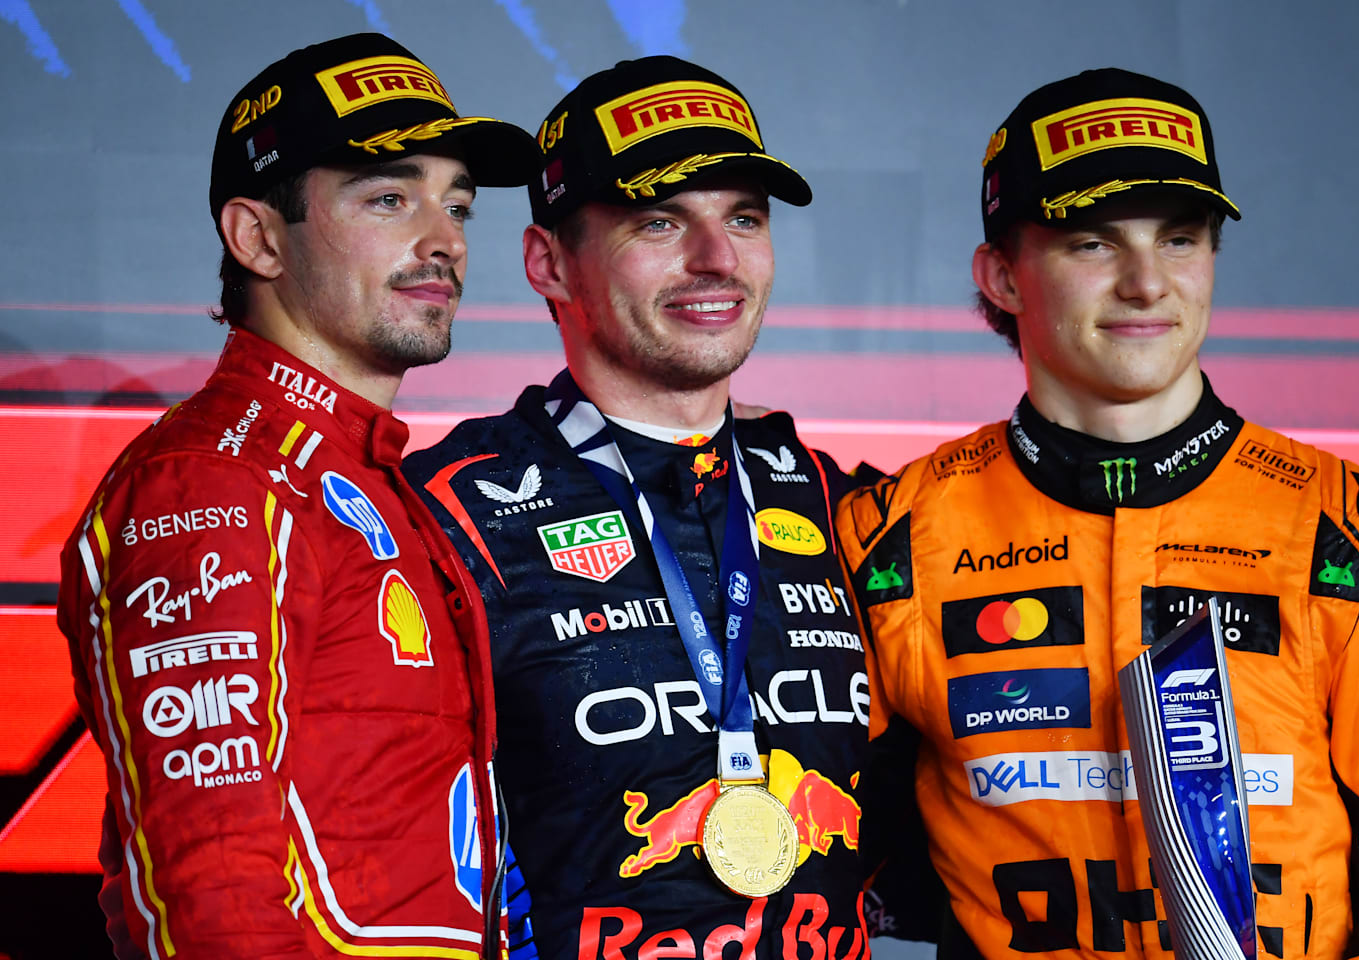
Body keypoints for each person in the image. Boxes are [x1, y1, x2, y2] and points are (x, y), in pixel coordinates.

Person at [835, 68, 1359, 959]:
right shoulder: (890, 534)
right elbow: (819, 851)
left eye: (1181, 240)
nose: (1148, 283)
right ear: (1002, 276)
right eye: (1092, 243)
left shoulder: (1353, 531)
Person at [57, 33, 538, 958]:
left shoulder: (359, 474)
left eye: (459, 207)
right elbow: (213, 886)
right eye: (390, 198)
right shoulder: (213, 481)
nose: (443, 242)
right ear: (258, 237)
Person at [404, 56, 872, 960]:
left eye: (743, 218)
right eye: (660, 221)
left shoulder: (836, 500)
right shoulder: (447, 511)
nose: (717, 259)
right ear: (548, 262)